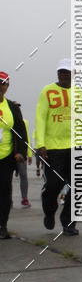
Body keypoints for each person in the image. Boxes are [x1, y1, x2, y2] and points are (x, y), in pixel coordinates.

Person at [36, 59, 81, 236]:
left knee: (77, 186)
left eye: (67, 72)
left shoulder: (79, 93)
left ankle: (68, 222)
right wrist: (40, 144)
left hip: (75, 147)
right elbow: (40, 118)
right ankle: (49, 211)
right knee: (54, 185)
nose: (64, 75)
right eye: (61, 72)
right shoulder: (47, 91)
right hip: (53, 148)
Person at [0, 71, 28, 239]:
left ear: (7, 86)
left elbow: (21, 132)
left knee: (4, 191)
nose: (1, 85)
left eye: (4, 83)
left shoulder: (12, 107)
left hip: (6, 157)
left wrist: (21, 152)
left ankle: (2, 225)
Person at [14, 117, 33, 207]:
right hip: (7, 153)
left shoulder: (24, 122)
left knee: (23, 175)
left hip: (21, 152)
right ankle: (8, 200)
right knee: (6, 177)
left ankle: (24, 198)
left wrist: (29, 153)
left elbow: (27, 138)